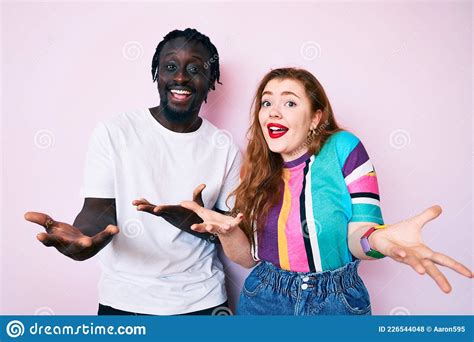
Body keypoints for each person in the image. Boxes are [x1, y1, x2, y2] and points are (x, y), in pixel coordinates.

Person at [177, 67, 473, 315]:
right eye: (267, 103)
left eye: (290, 103)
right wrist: (226, 232)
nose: (273, 113)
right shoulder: (258, 167)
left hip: (336, 302)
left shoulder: (344, 149)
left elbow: (360, 237)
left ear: (316, 117)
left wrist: (380, 239)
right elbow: (249, 259)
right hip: (264, 298)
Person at [24, 28, 241, 315]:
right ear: (157, 74)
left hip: (203, 303)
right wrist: (82, 239)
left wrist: (198, 221)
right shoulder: (115, 132)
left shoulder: (224, 147)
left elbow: (234, 235)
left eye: (195, 69)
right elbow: (98, 210)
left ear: (210, 80)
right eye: (171, 67)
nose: (180, 78)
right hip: (124, 301)